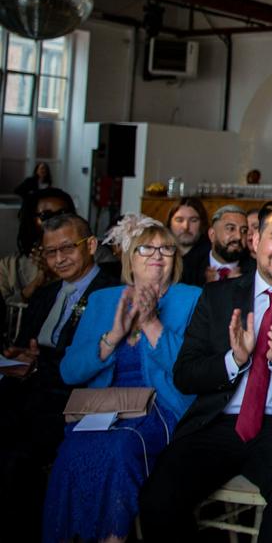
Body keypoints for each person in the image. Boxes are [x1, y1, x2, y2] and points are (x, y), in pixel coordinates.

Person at [138, 197, 272, 543]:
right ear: (255, 241)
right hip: (217, 423)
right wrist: (233, 360)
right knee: (158, 499)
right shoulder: (217, 296)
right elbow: (185, 375)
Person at [44, 215, 200, 543]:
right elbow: (69, 371)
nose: (157, 255)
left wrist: (152, 323)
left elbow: (190, 372)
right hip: (102, 406)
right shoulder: (103, 301)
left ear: (176, 259)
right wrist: (113, 336)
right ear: (130, 258)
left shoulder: (192, 299)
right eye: (146, 248)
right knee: (71, 452)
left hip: (160, 406)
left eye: (166, 249)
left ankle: (112, 538)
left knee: (121, 445)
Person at [0, 213, 118, 541]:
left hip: (71, 397)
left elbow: (98, 358)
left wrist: (39, 366)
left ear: (91, 245)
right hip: (29, 388)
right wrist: (21, 355)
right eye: (51, 252)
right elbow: (26, 346)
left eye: (67, 248)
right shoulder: (45, 294)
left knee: (17, 459)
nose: (59, 259)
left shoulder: (110, 293)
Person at [1, 187, 74, 306]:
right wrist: (37, 282)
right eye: (46, 215)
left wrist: (58, 275)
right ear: (31, 220)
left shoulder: (92, 256)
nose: (56, 221)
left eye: (63, 213)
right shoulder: (8, 267)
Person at [180, 203, 252, 287]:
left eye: (244, 231)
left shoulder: (255, 271)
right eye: (231, 229)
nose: (239, 236)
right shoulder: (188, 267)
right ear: (212, 235)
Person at [166, 197, 210, 268]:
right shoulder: (161, 254)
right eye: (179, 220)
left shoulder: (211, 257)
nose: (186, 227)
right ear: (170, 224)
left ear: (202, 224)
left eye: (193, 220)